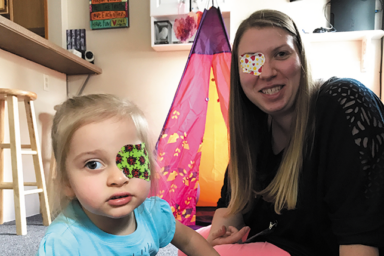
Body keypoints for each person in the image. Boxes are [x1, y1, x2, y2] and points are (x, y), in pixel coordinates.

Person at [181, 9, 384, 256]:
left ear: (301, 57)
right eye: (251, 60)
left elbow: (361, 237)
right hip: (281, 243)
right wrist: (225, 229)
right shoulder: (254, 129)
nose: (266, 73)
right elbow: (231, 210)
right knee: (189, 248)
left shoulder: (344, 103)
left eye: (281, 54)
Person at [37, 94, 219, 256]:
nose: (118, 178)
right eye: (93, 164)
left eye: (131, 159)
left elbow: (189, 241)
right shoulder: (63, 244)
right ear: (67, 182)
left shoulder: (153, 214)